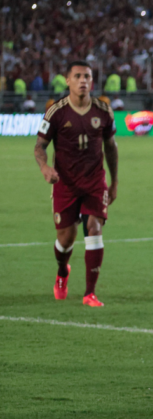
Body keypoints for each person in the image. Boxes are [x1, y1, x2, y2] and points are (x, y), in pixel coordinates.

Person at [34, 61, 118, 308]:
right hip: (65, 184)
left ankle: (90, 293)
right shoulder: (56, 112)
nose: (83, 80)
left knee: (94, 229)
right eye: (78, 76)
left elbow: (111, 148)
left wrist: (114, 183)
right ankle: (62, 272)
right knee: (66, 239)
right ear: (68, 81)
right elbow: (39, 146)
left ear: (92, 81)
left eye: (87, 77)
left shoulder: (103, 111)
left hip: (95, 182)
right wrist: (45, 168)